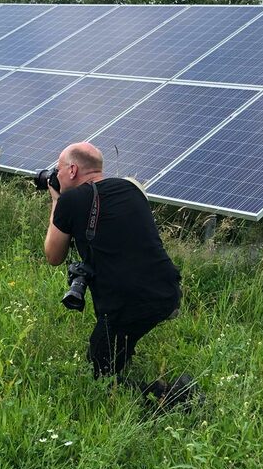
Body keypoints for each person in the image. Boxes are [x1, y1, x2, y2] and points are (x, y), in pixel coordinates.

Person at [43, 142, 186, 404]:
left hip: (129, 304)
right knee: (112, 348)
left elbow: (53, 255)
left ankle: (177, 396)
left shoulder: (71, 201)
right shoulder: (132, 188)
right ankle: (122, 353)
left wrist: (56, 201)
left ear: (72, 170)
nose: (56, 174)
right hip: (167, 290)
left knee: (99, 375)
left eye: (59, 168)